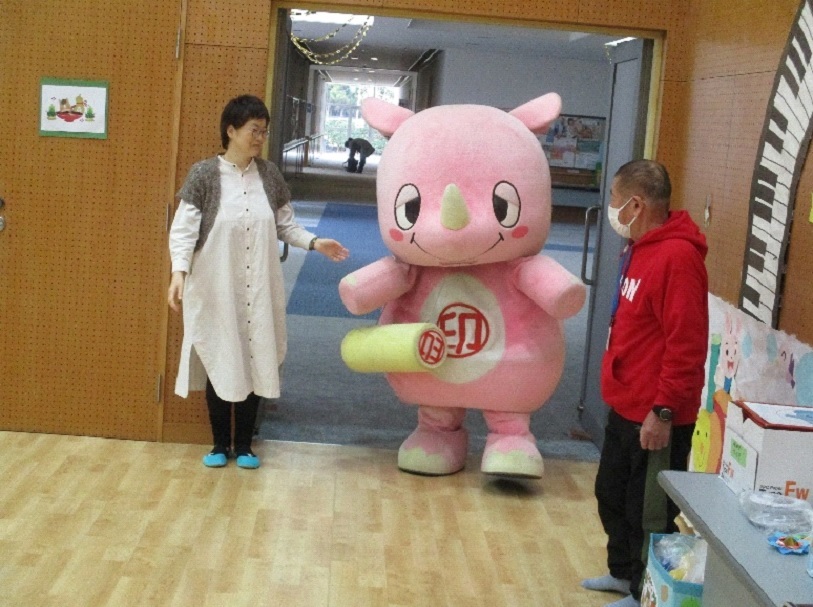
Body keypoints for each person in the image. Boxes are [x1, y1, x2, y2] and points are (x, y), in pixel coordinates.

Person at [168, 94, 349, 469]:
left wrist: (314, 242)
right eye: (254, 130)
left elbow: (286, 225)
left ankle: (245, 446)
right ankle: (220, 445)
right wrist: (178, 272)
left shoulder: (268, 176)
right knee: (221, 356)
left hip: (260, 287)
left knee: (255, 358)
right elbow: (183, 231)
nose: (260, 138)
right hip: (216, 286)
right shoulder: (204, 176)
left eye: (264, 131)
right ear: (231, 131)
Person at [581, 160, 708, 607]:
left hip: (657, 413)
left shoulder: (678, 258)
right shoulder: (638, 249)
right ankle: (623, 573)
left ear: (635, 204)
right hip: (626, 403)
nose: (611, 208)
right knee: (611, 494)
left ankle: (645, 592)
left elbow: (686, 344)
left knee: (648, 512)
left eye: (615, 200)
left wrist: (664, 411)